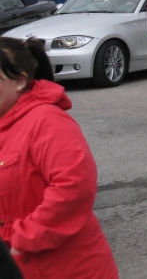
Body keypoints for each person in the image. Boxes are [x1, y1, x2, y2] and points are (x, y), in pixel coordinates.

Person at [0, 37, 118, 279]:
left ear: (20, 81)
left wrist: (21, 239)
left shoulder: (46, 120)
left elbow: (74, 186)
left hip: (62, 267)